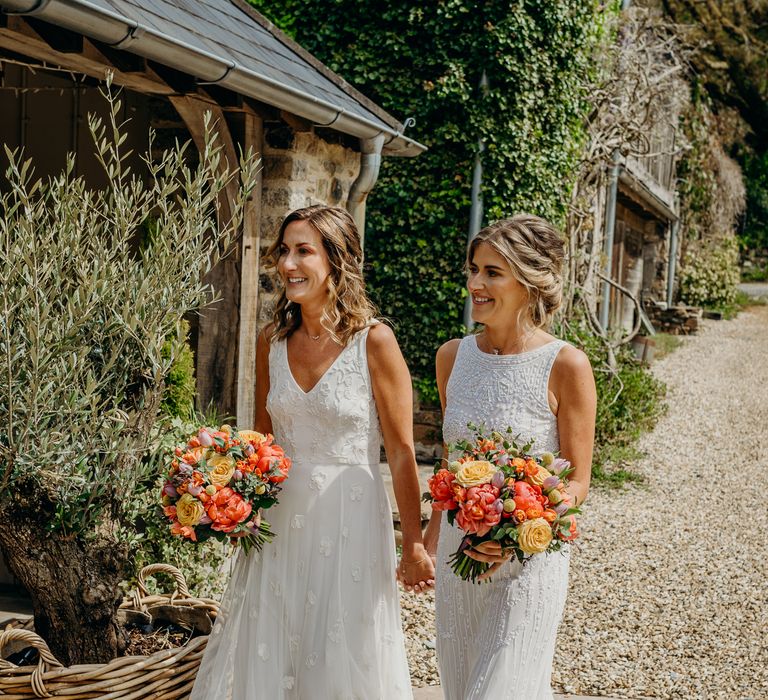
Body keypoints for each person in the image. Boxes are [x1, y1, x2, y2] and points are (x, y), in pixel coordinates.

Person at [191, 205, 434, 699]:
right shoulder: (271, 341)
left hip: (351, 519)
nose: (287, 263)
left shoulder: (375, 341)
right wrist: (225, 500)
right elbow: (261, 441)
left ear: (337, 260)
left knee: (343, 647)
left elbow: (403, 450)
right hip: (279, 522)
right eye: (284, 250)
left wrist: (412, 543)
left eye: (304, 250)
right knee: (273, 647)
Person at [423, 214, 597, 699]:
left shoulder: (566, 365)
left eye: (492, 273)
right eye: (473, 270)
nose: (475, 284)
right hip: (460, 557)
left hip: (531, 559)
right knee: (461, 688)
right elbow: (451, 462)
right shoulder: (451, 356)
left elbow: (579, 482)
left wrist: (516, 534)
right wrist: (429, 539)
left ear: (530, 281)